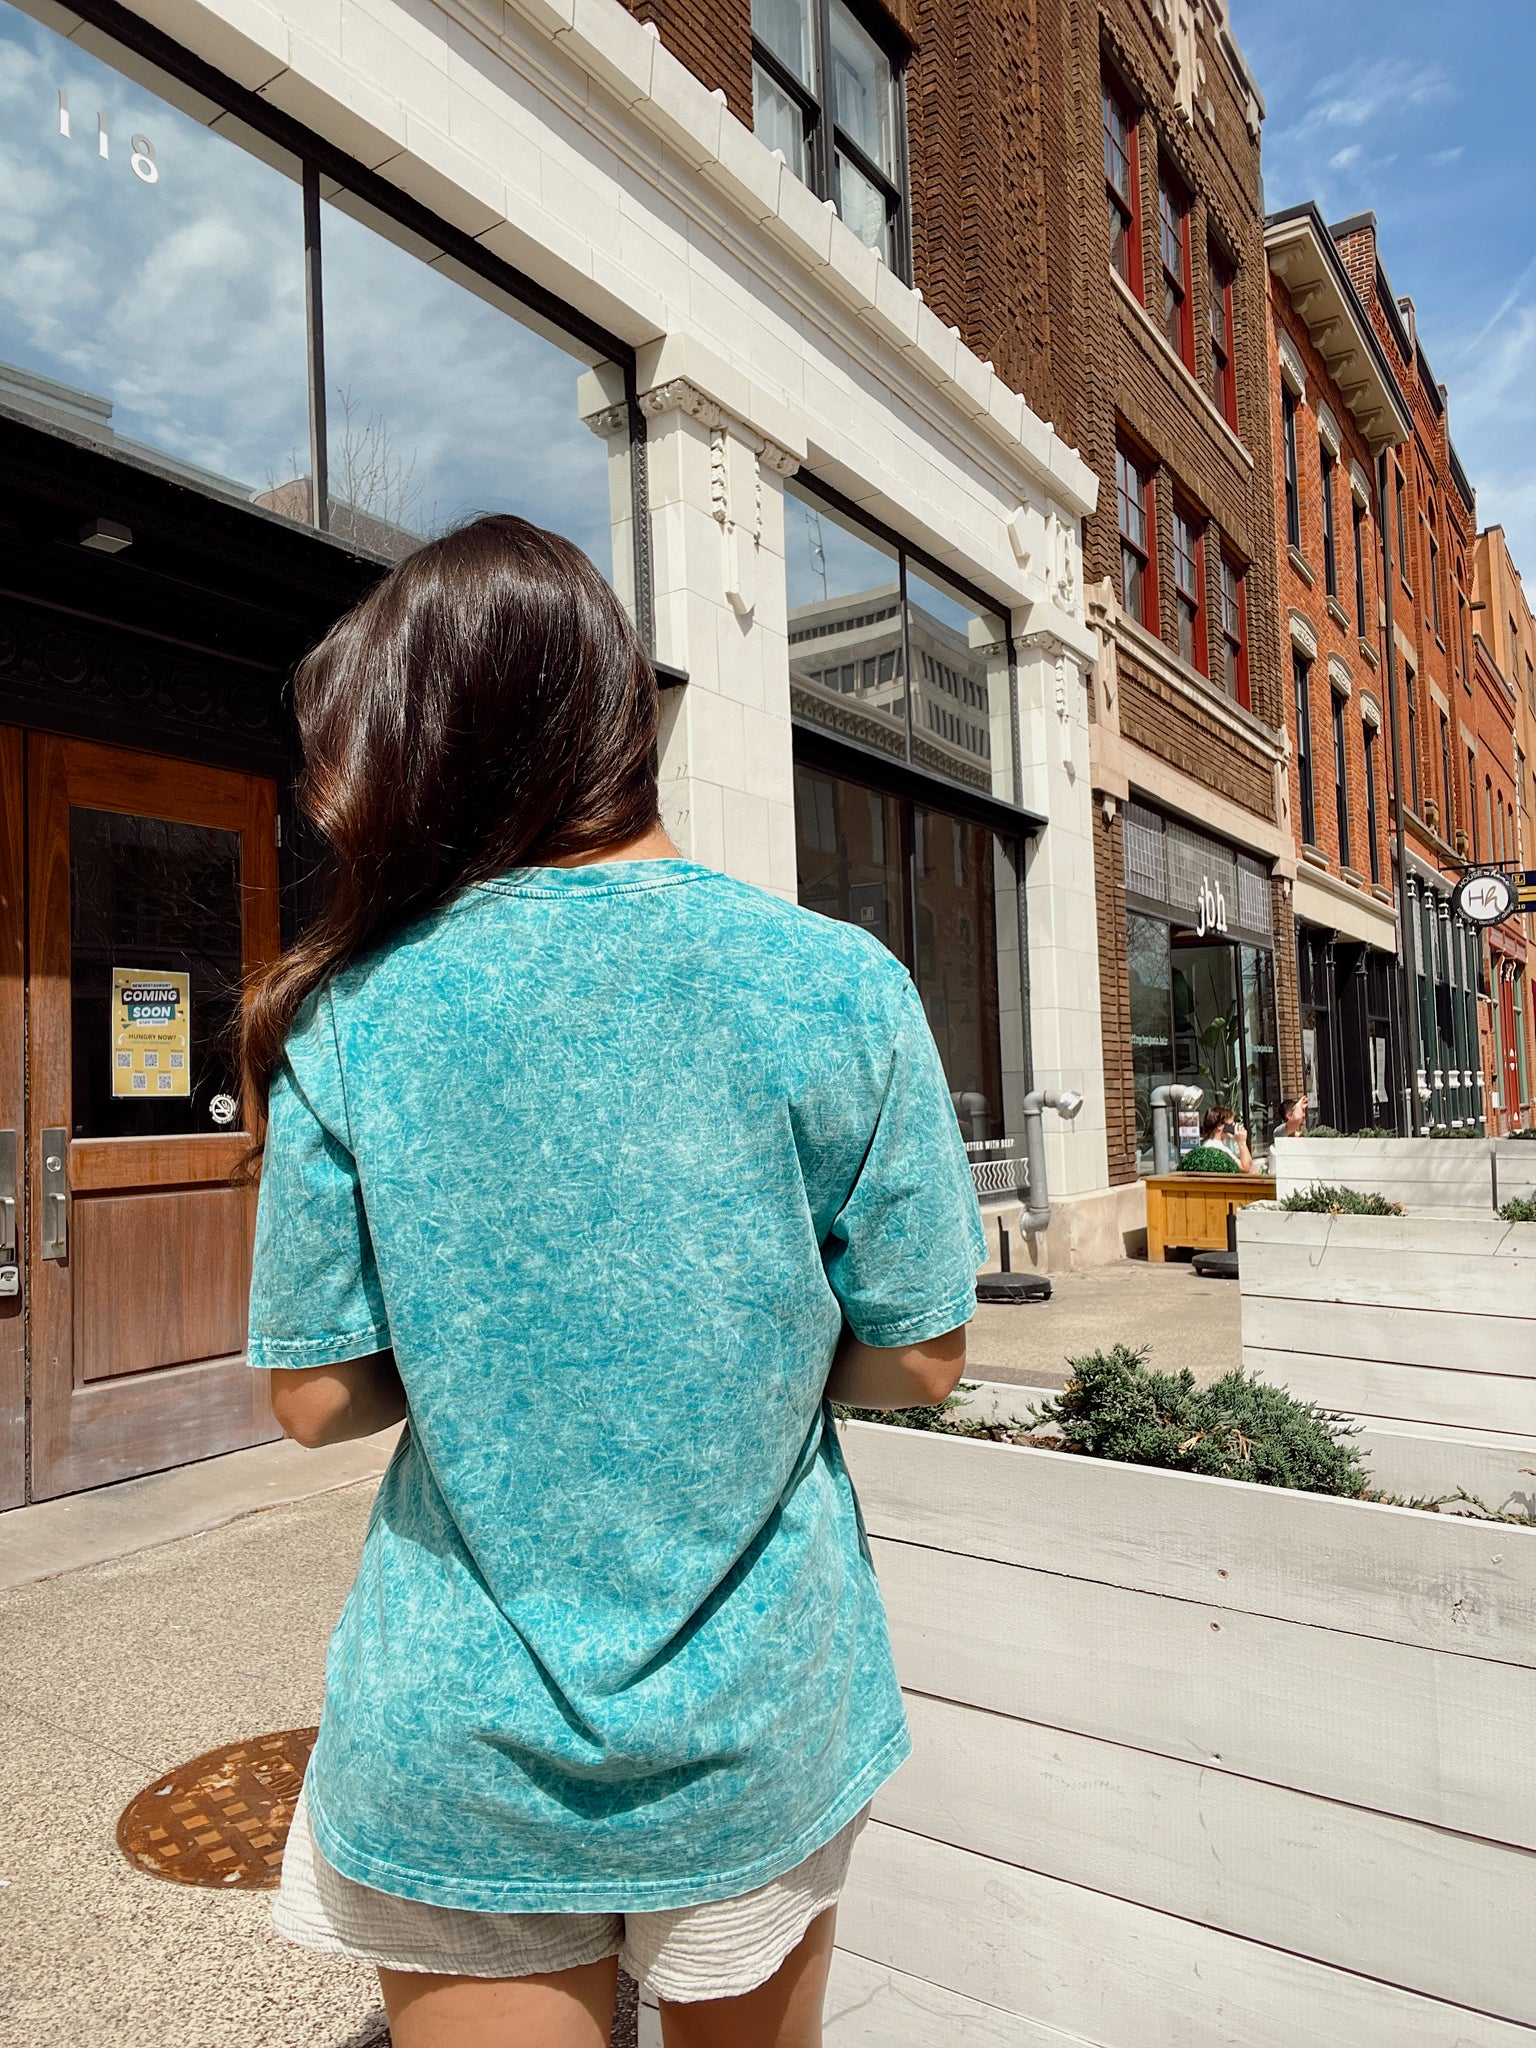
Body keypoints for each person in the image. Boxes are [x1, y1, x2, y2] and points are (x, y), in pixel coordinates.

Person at [239, 514, 986, 2048]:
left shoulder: (353, 1015)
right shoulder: (834, 981)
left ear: (426, 745)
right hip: (753, 1709)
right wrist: (752, 1357)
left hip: (459, 1729)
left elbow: (313, 1399)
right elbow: (922, 1358)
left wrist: (469, 1361)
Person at [1200, 1102, 1255, 1172]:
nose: (1234, 1126)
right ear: (1219, 1126)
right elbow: (1246, 1168)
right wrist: (1242, 1142)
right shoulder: (1219, 1148)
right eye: (1231, 1124)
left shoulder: (1208, 1144)